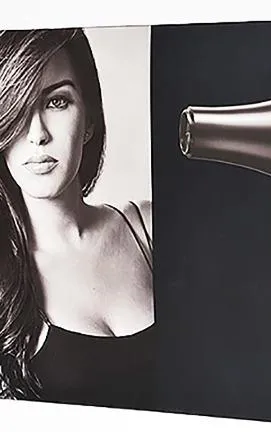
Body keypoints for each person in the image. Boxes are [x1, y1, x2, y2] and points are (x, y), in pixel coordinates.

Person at [0, 29, 155, 410]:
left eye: (57, 102)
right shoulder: (6, 280)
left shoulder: (150, 228)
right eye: (16, 108)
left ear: (89, 120)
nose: (37, 134)